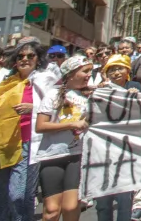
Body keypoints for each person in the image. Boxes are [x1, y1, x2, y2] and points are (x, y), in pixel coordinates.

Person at [0, 41, 52, 221]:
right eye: (20, 56)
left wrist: (34, 106)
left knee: (18, 195)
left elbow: (57, 106)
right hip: (1, 143)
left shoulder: (45, 79)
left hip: (27, 143)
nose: (25, 59)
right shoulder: (7, 81)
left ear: (38, 59)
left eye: (30, 56)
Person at [33, 55, 93, 221]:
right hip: (52, 156)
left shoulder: (90, 96)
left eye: (90, 72)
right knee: (52, 210)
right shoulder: (53, 94)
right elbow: (40, 126)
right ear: (71, 74)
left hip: (78, 156)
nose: (89, 75)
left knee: (71, 207)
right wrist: (71, 125)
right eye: (85, 71)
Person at [95, 55, 135, 221]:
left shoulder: (136, 88)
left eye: (120, 68)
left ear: (128, 71)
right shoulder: (100, 91)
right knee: (103, 200)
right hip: (102, 151)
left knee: (125, 199)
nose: (116, 73)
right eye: (111, 70)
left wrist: (136, 96)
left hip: (127, 152)